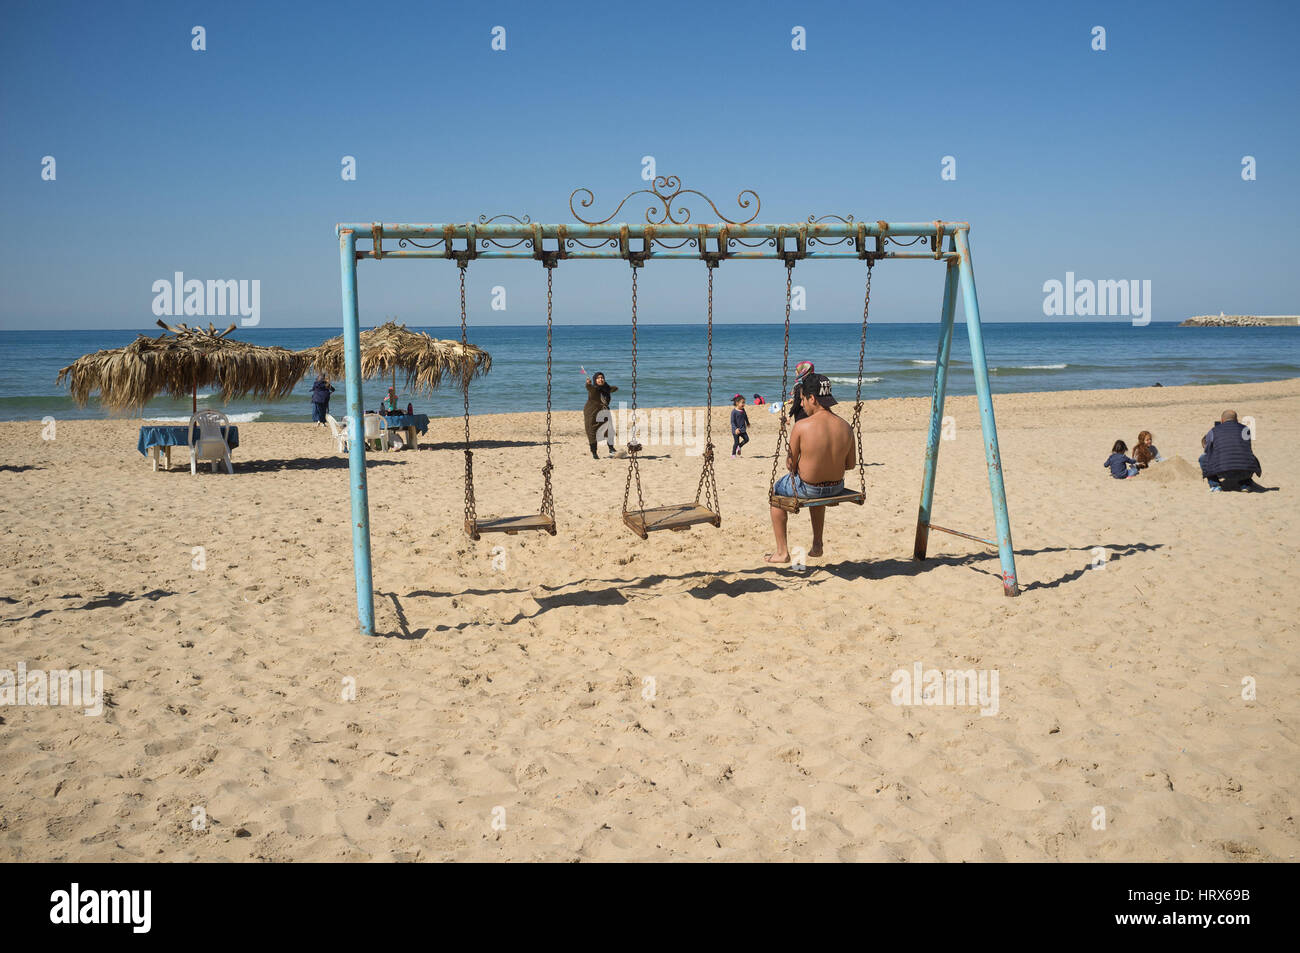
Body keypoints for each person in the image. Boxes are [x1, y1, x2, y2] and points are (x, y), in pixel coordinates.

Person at [767, 374, 853, 564]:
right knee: (818, 493)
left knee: (776, 493)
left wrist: (803, 464)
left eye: (803, 399)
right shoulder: (846, 426)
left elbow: (790, 465)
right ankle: (817, 544)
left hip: (808, 488)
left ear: (812, 398)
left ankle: (782, 552)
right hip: (837, 487)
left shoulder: (802, 426)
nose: (803, 404)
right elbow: (851, 464)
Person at [1199, 410, 1262, 492]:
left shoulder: (1214, 430)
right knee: (1246, 456)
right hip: (1245, 471)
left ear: (1222, 420)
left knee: (1203, 458)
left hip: (1223, 471)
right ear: (1236, 420)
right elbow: (1247, 449)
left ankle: (1215, 485)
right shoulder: (1245, 430)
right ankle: (1245, 484)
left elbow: (1207, 450)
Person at [583, 371, 618, 459]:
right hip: (591, 412)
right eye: (598, 378)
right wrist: (588, 384)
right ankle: (594, 452)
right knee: (591, 431)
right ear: (595, 380)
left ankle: (611, 448)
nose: (600, 379)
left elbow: (615, 388)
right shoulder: (593, 389)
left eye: (602, 378)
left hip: (603, 411)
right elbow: (589, 388)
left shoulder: (606, 389)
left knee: (609, 429)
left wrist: (607, 387)